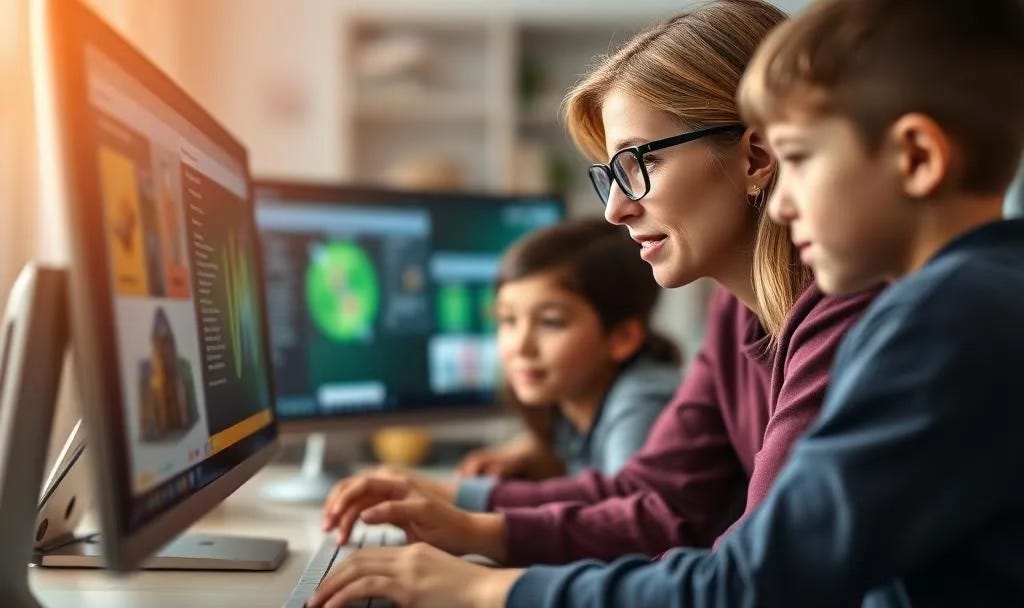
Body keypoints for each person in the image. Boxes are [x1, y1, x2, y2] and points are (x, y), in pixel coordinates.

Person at [308, 0, 1024, 605]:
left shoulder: (912, 315)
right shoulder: (755, 309)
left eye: (639, 163)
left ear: (754, 158)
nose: (617, 209)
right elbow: (665, 498)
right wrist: (468, 523)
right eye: (610, 175)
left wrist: (484, 589)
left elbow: (755, 583)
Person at [459, 218, 681, 481]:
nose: (520, 346)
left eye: (550, 322)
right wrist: (528, 454)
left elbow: (624, 510)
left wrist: (456, 495)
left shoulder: (642, 401)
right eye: (508, 320)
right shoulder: (572, 399)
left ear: (622, 338)